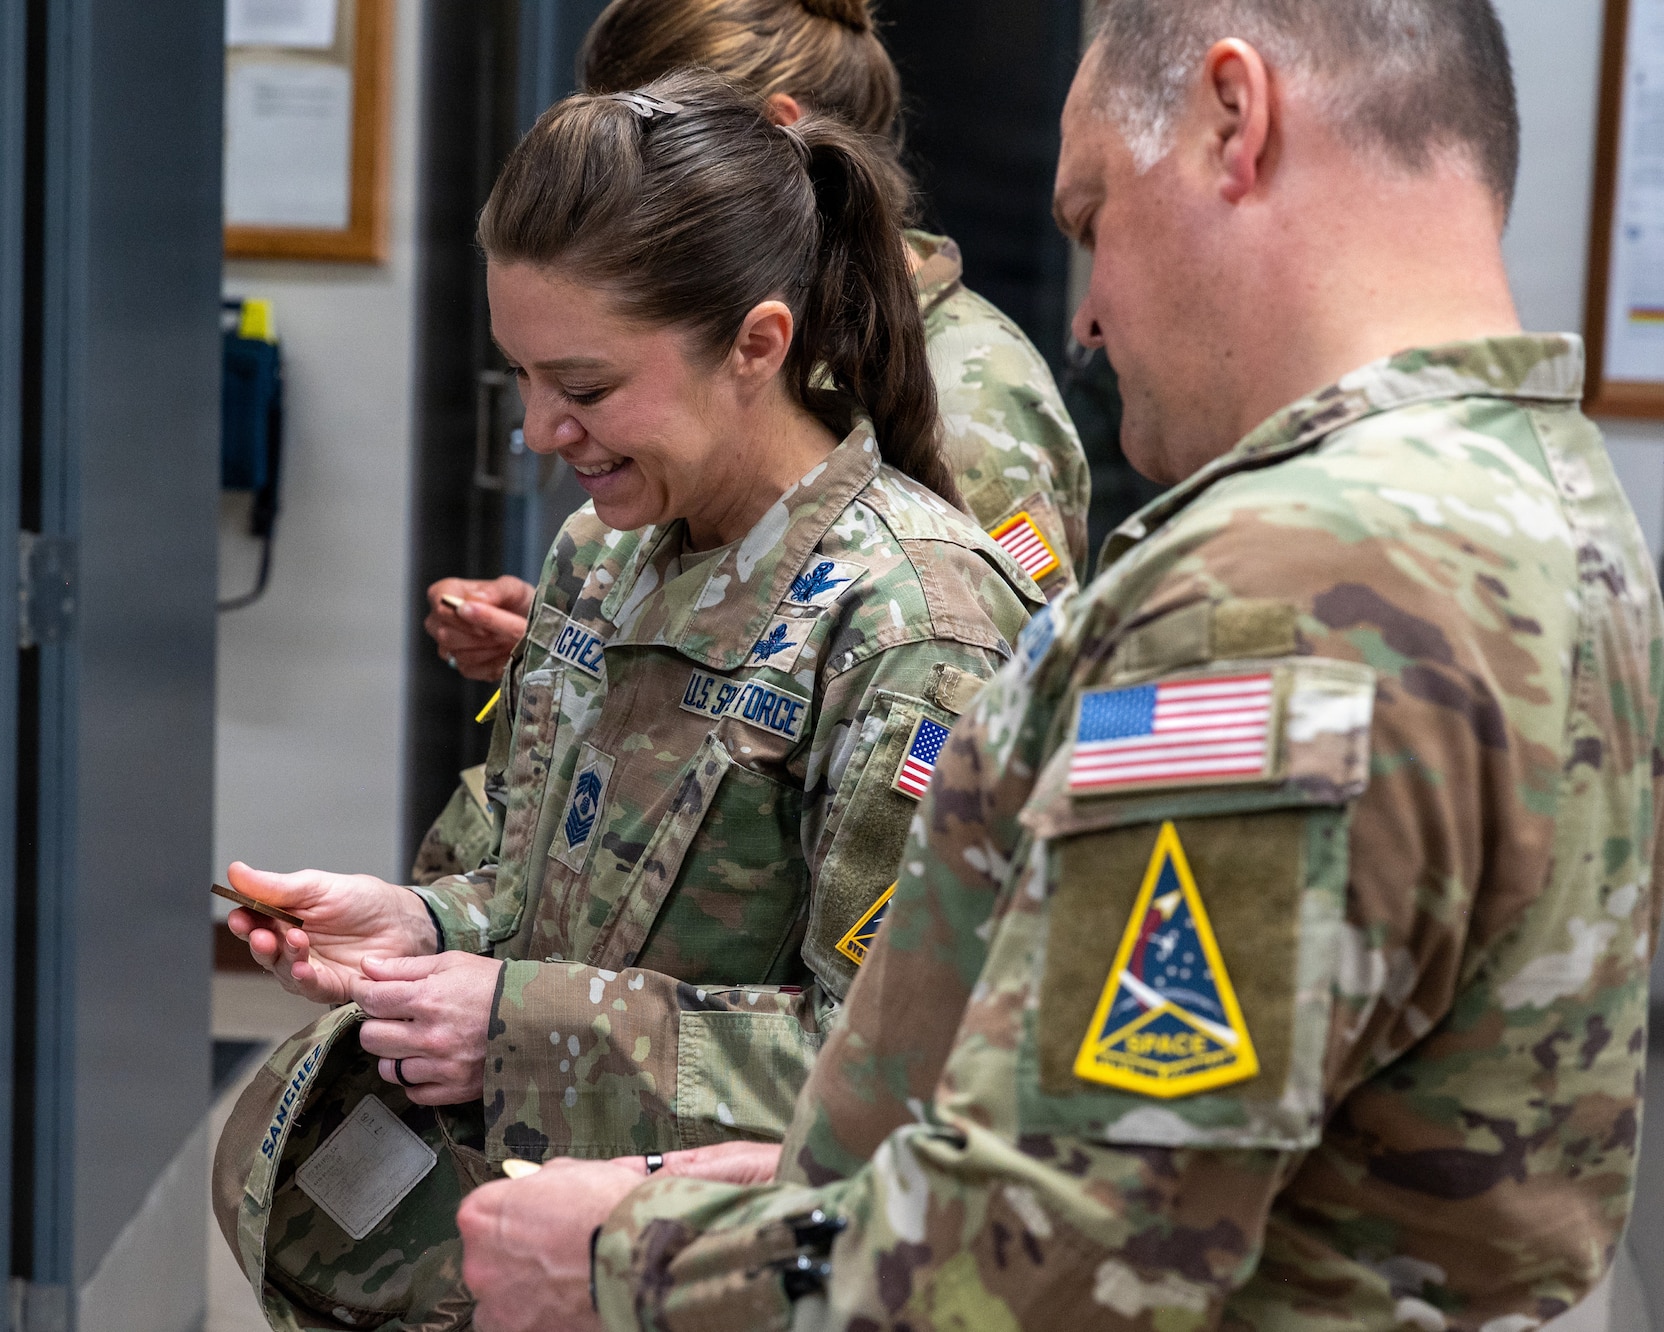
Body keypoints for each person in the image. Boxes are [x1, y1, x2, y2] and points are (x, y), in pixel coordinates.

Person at [453, 2, 1664, 1329]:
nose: (1085, 316)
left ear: (1233, 121)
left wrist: (629, 1257)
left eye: (1094, 219)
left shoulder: (1286, 593)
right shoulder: (1543, 502)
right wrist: (834, 1192)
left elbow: (1059, 1248)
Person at [222, 71, 1043, 1322]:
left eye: (588, 388)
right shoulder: (602, 558)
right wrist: (424, 924)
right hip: (538, 1256)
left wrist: (515, 1027)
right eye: (525, 379)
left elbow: (898, 1075)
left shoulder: (913, 628)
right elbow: (534, 886)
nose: (543, 429)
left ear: (756, 346)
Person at [410, 0, 1089, 886]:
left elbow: (974, 725)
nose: (542, 431)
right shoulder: (618, 521)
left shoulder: (969, 412)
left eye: (665, 142)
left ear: (766, 144)